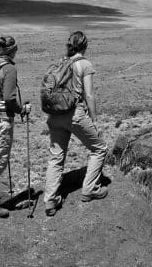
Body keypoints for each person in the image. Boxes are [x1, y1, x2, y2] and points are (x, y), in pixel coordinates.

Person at [43, 31, 108, 217]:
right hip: (74, 114)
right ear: (85, 45)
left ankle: (50, 200)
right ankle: (90, 189)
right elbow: (89, 95)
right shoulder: (84, 64)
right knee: (99, 148)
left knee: (56, 157)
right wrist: (94, 120)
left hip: (55, 116)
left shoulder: (61, 63)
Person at [0, 35, 32, 218]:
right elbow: (9, 98)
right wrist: (22, 109)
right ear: (12, 50)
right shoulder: (8, 68)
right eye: (16, 48)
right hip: (1, 119)